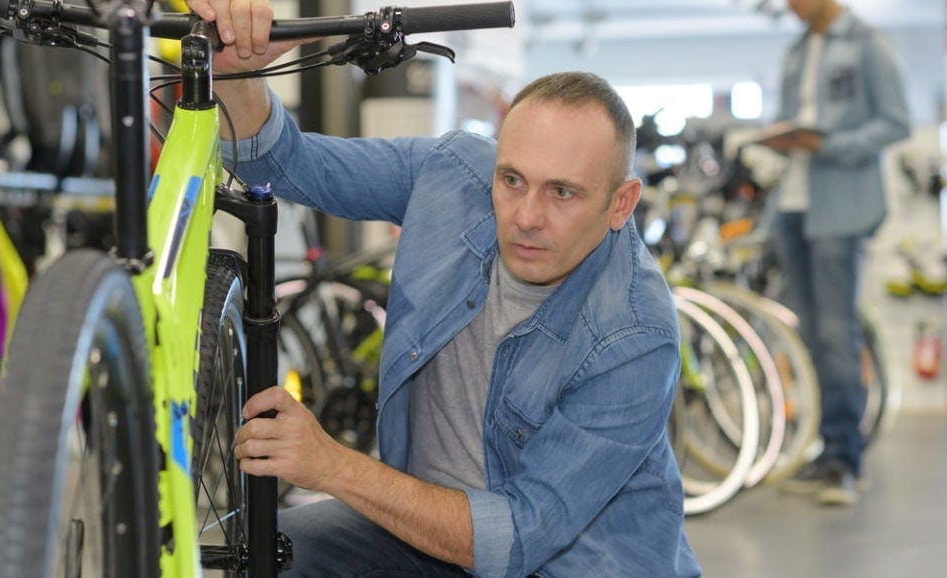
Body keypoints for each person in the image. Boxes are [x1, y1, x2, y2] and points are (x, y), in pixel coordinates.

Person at [188, 1, 701, 575]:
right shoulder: (453, 174)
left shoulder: (635, 333)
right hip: (425, 535)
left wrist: (332, 465)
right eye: (512, 180)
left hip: (572, 563)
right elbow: (285, 163)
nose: (526, 216)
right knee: (274, 551)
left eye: (563, 193)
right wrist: (237, 69)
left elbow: (515, 539)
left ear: (621, 203)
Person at [763, 0, 910, 506]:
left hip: (841, 210)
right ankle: (825, 448)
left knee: (834, 331)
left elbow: (895, 122)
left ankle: (846, 458)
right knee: (808, 333)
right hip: (793, 207)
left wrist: (828, 145)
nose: (791, 6)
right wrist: (784, 138)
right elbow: (791, 118)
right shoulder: (796, 51)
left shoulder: (868, 43)